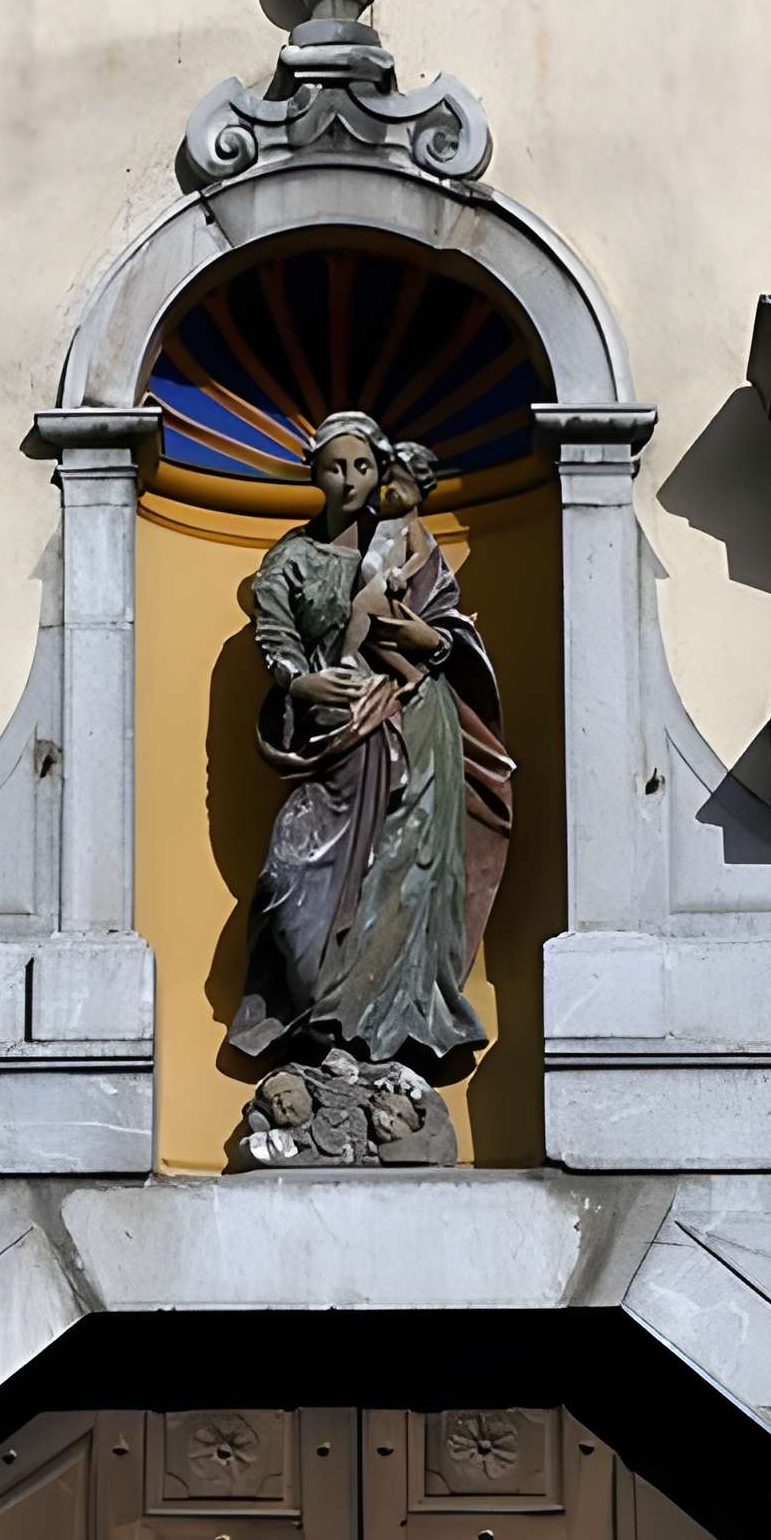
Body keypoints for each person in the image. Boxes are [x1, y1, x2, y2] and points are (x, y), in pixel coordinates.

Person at [226, 412, 513, 1076]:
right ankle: (316, 1018)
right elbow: (276, 639)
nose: (348, 480)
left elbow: (447, 632)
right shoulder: (291, 560)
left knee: (408, 877)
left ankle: (380, 1036)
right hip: (336, 734)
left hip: (418, 725)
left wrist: (426, 642)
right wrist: (302, 684)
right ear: (315, 473)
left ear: (382, 472)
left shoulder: (406, 541)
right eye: (335, 467)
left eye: (361, 467)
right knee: (285, 880)